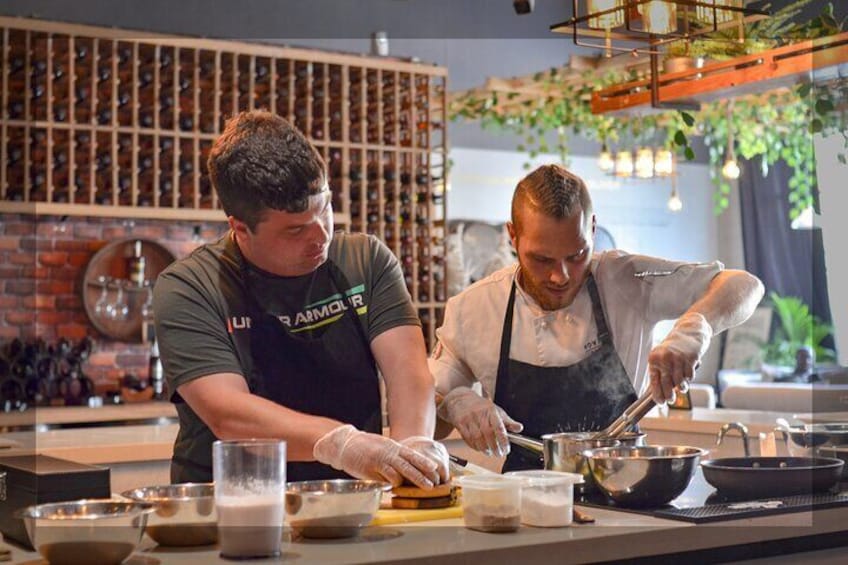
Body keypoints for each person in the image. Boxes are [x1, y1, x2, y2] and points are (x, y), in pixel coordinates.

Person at [154, 110, 448, 488]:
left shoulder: (366, 262)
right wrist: (343, 444)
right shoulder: (190, 288)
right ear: (239, 227)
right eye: (295, 230)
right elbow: (230, 415)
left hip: (350, 497)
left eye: (324, 208)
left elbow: (409, 374)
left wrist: (413, 450)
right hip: (234, 503)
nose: (321, 235)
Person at [431, 164, 764, 471]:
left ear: (591, 228)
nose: (560, 276)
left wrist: (695, 329)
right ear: (512, 237)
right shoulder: (472, 309)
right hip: (527, 498)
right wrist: (455, 403)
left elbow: (744, 285)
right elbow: (430, 414)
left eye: (577, 255)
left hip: (627, 487)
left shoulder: (629, 279)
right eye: (542, 260)